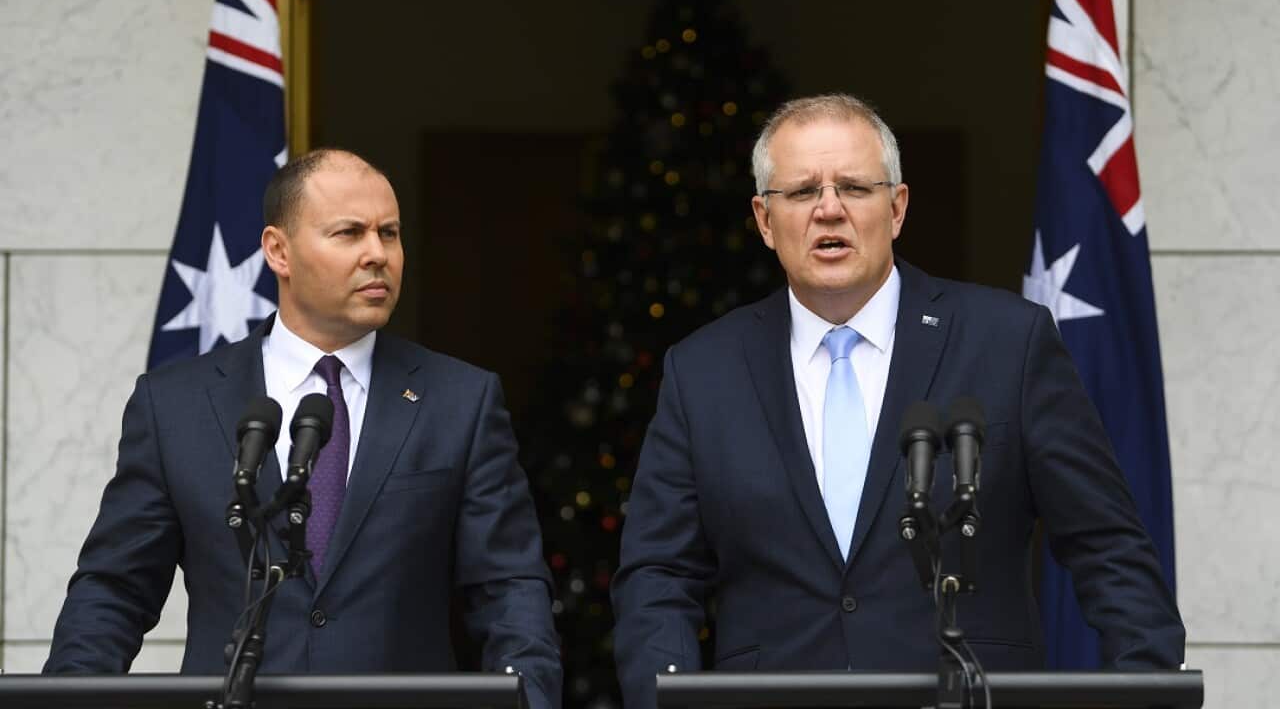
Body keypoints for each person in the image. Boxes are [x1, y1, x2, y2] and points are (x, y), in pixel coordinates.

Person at [611, 94, 1184, 707]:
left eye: (855, 187)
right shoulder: (703, 370)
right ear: (763, 220)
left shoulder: (1007, 342)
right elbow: (659, 574)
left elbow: (1108, 545)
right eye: (802, 192)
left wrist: (1144, 686)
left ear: (897, 207)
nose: (829, 210)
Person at [45, 149, 562, 709]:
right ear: (278, 251)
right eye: (349, 233)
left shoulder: (460, 400)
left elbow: (509, 590)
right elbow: (116, 590)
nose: (377, 255)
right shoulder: (175, 405)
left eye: (389, 234)